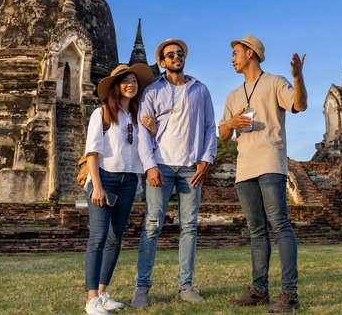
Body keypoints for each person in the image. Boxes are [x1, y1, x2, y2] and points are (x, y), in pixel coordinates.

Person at [219, 35, 307, 313]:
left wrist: (298, 78)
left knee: (280, 226)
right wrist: (232, 123)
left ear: (250, 53)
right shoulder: (233, 95)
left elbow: (299, 105)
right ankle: (259, 290)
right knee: (256, 231)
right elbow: (222, 135)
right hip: (244, 168)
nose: (232, 58)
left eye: (236, 53)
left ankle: (290, 295)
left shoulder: (275, 82)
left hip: (270, 162)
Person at [131, 38, 217, 307]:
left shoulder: (200, 90)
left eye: (180, 54)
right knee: (152, 225)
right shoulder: (152, 92)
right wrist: (150, 166)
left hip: (191, 167)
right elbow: (144, 132)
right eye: (171, 55)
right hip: (162, 166)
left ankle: (186, 286)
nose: (177, 57)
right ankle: (142, 289)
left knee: (189, 227)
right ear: (162, 62)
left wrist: (206, 160)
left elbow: (209, 128)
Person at [83, 63, 154, 315]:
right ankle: (91, 299)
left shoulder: (138, 117)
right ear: (115, 86)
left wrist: (153, 130)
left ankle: (102, 293)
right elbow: (92, 153)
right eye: (125, 80)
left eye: (134, 80)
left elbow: (147, 149)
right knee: (98, 237)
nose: (131, 84)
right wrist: (97, 187)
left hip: (129, 181)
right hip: (103, 177)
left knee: (115, 240)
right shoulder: (101, 113)